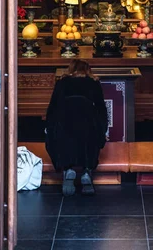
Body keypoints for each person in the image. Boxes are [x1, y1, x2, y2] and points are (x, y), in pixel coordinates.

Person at [45, 59, 108, 196]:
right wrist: (103, 128)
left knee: (63, 140)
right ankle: (86, 171)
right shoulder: (93, 83)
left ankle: (68, 169)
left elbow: (53, 106)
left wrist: (49, 126)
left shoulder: (62, 82)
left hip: (64, 121)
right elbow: (101, 108)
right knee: (90, 141)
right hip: (88, 121)